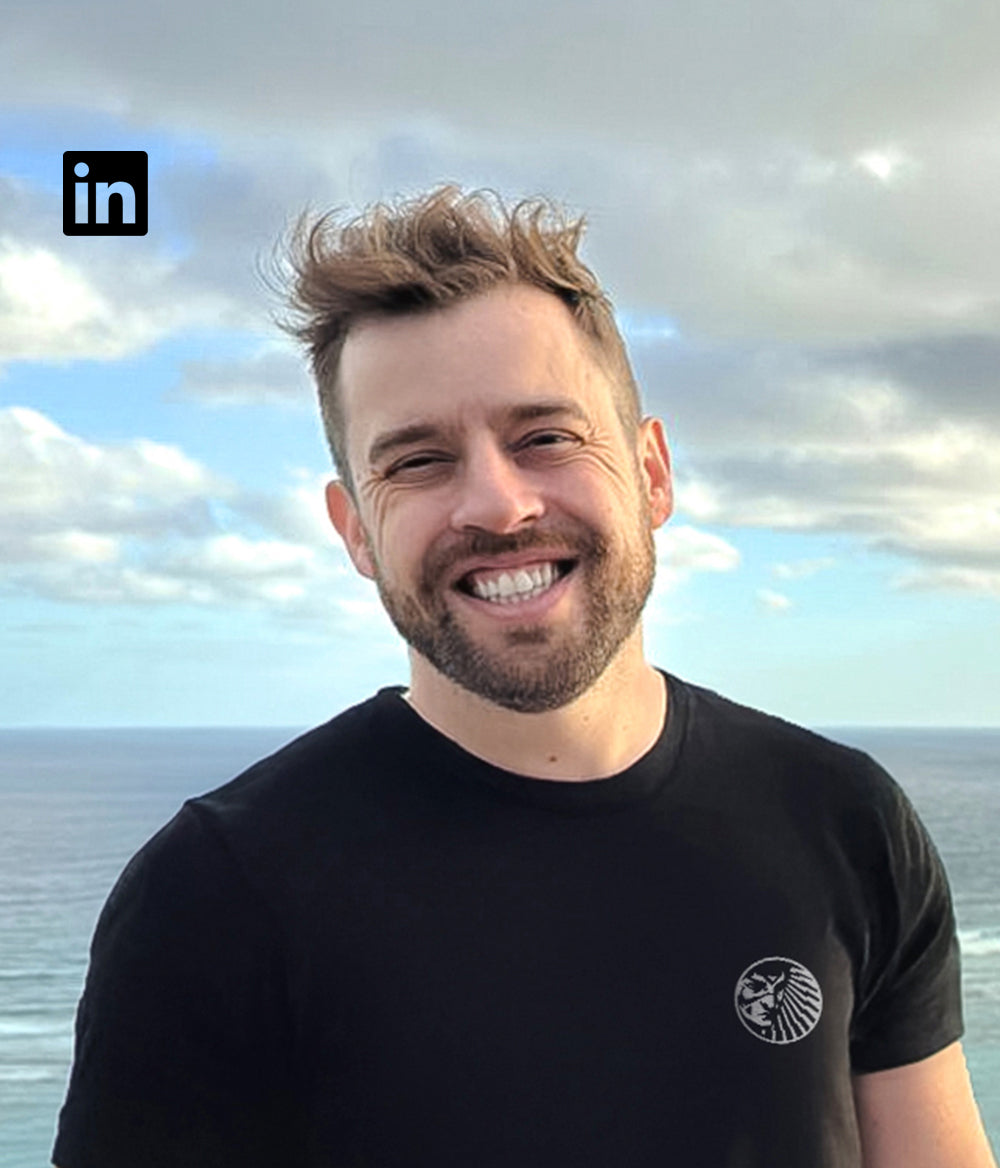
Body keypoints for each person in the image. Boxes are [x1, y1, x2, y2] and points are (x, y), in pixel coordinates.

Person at [53, 186, 996, 1168]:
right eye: (417, 460)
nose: (498, 506)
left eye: (544, 436)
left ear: (652, 472)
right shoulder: (214, 897)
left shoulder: (842, 820)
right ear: (354, 532)